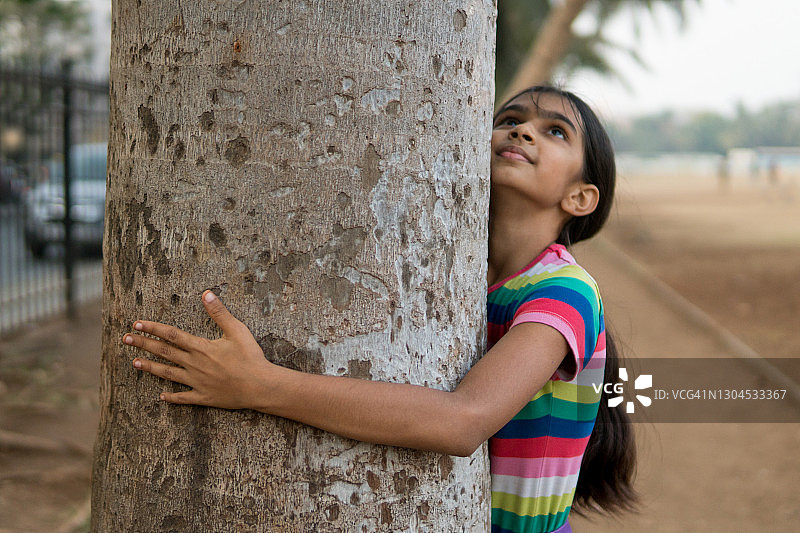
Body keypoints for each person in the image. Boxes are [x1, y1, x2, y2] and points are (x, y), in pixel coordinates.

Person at [123, 86, 637, 533]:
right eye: (510, 120)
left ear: (581, 197)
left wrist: (259, 385)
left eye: (555, 132)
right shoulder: (449, 281)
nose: (523, 132)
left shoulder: (563, 290)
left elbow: (464, 422)